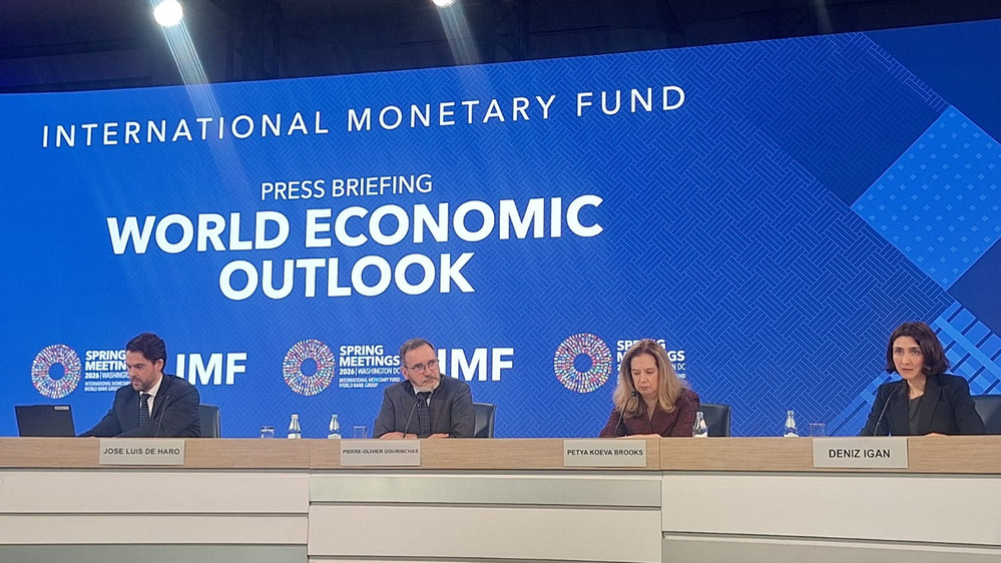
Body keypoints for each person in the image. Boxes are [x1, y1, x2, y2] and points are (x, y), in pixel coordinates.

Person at [860, 322, 984, 436]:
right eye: (898, 351)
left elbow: (976, 436)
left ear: (929, 353)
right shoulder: (887, 393)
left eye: (915, 352)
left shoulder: (953, 387)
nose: (905, 361)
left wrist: (946, 442)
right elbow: (868, 440)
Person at [81, 333, 201, 437]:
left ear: (158, 364)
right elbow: (102, 431)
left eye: (139, 367)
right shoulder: (124, 395)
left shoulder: (182, 393)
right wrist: (76, 442)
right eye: (129, 367)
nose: (132, 374)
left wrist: (112, 444)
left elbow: (156, 432)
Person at [374, 338, 474, 438]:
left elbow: (463, 437)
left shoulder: (457, 390)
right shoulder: (394, 394)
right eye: (419, 367)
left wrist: (412, 438)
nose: (428, 372)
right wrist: (424, 440)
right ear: (405, 373)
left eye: (432, 363)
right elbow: (380, 437)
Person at [599, 339, 699, 437]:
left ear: (663, 372)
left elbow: (680, 443)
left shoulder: (686, 400)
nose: (642, 379)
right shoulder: (625, 402)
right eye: (636, 373)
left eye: (649, 372)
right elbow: (605, 440)